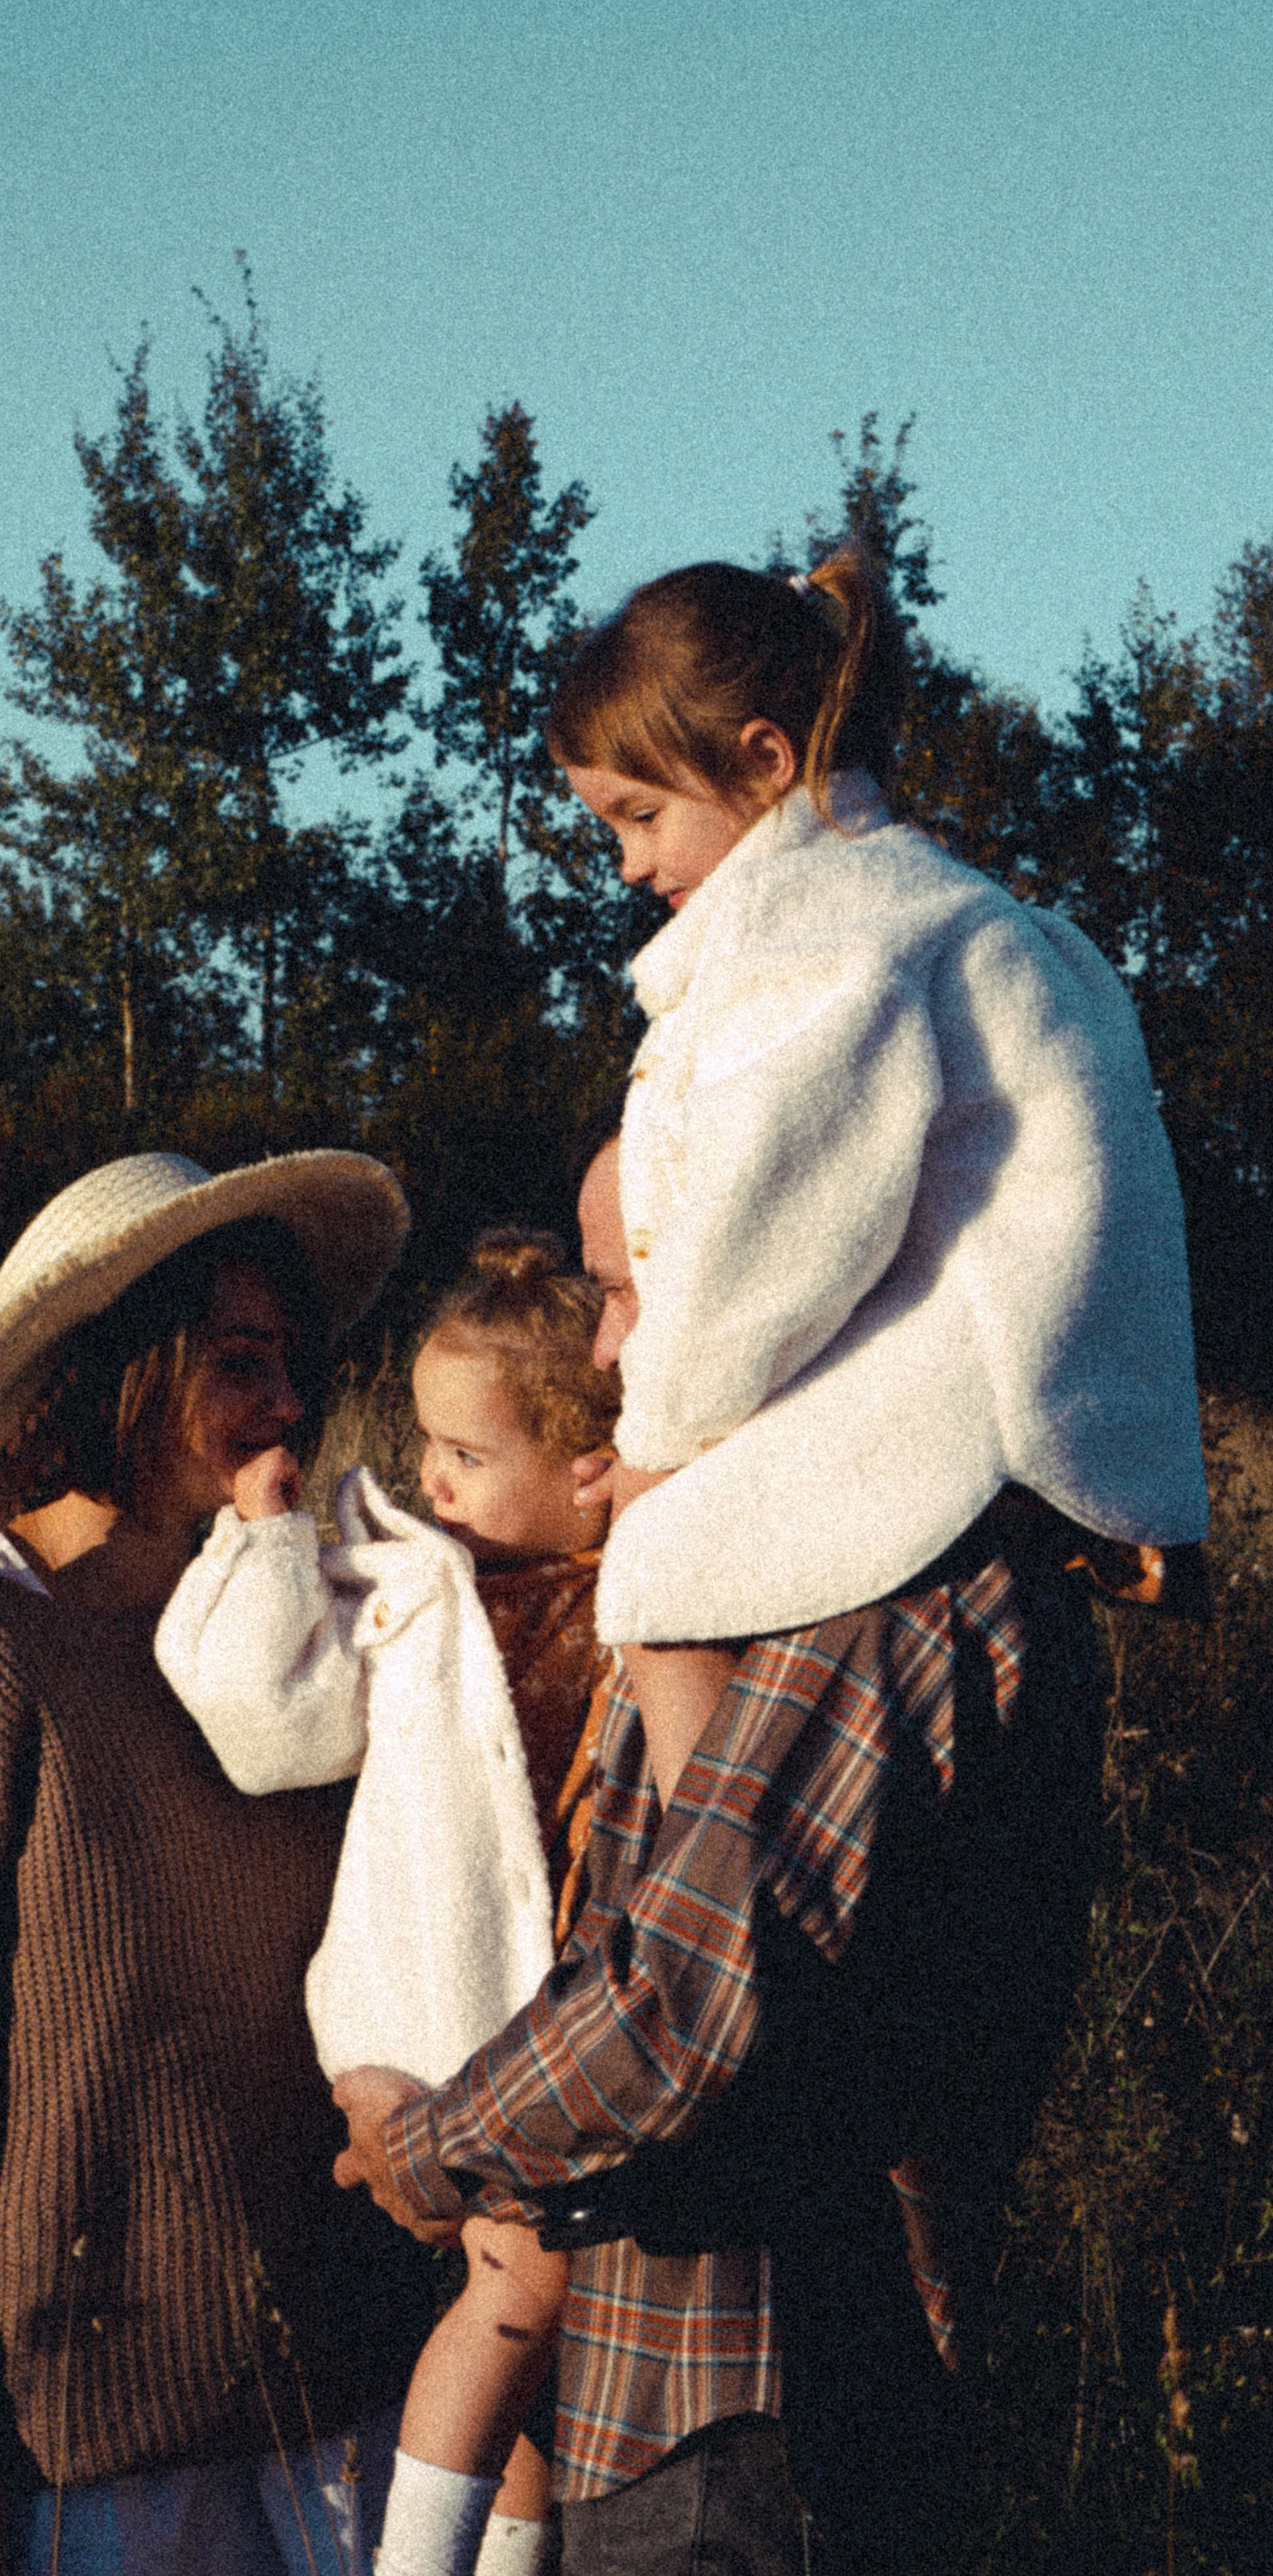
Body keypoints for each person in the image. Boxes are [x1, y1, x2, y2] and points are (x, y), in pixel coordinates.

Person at [332, 549, 1209, 2573]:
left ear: (758, 761)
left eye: (642, 821)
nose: (621, 1329)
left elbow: (682, 1999)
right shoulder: (876, 1553)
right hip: (712, 2409)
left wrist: (429, 2141)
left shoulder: (894, 1588)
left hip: (756, 2424)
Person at [0, 1150, 435, 2576]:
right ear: (120, 1371)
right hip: (62, 2505)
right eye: (236, 1362)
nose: (287, 1407)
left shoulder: (295, 1645)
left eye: (292, 1362)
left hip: (323, 2463)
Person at [156, 1232, 632, 2576]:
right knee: (519, 2285)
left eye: (468, 1456)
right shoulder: (414, 1581)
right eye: (426, 1443)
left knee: (564, 2322)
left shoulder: (632, 1589)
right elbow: (266, 1720)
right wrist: (266, 1538)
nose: (428, 1476)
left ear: (586, 1477)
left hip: (553, 2023)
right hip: (431, 2007)